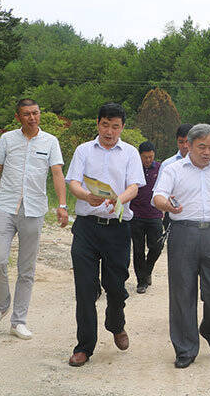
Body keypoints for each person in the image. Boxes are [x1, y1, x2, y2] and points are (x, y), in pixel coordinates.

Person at [0, 98, 68, 340]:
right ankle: (1, 306)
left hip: (34, 210)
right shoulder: (7, 139)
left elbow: (57, 173)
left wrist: (62, 205)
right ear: (18, 117)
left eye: (35, 113)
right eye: (26, 114)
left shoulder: (50, 141)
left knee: (26, 269)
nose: (32, 117)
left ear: (40, 114)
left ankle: (18, 321)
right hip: (5, 206)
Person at [152, 124, 210, 369]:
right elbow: (158, 196)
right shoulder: (173, 169)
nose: (207, 152)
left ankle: (209, 329)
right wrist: (167, 206)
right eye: (202, 147)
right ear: (188, 145)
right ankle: (185, 348)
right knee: (182, 293)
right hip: (183, 233)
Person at [65, 103, 145, 367]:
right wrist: (85, 195)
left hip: (118, 228)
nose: (109, 131)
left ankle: (116, 323)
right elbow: (74, 182)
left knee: (115, 285)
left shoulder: (131, 153)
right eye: (105, 125)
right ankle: (84, 346)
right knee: (85, 288)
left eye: (115, 126)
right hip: (87, 227)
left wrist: (119, 200)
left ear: (122, 127)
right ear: (97, 124)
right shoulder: (83, 150)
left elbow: (134, 186)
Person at [130, 141, 163, 294]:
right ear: (139, 156)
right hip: (136, 215)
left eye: (150, 157)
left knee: (157, 247)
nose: (148, 160)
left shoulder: (160, 168)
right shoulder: (133, 168)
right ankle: (141, 281)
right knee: (138, 250)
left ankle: (147, 270)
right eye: (145, 157)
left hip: (155, 214)